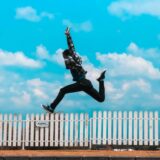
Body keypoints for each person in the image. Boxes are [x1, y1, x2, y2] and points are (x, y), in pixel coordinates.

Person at [42, 27, 106, 113]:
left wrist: (68, 35)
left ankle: (52, 108)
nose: (64, 59)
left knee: (63, 90)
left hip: (82, 83)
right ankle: (101, 80)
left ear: (67, 55)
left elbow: (71, 47)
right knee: (100, 99)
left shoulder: (72, 58)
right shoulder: (72, 60)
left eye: (64, 56)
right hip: (85, 83)